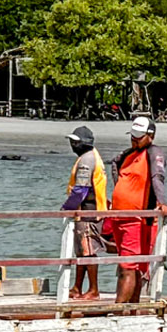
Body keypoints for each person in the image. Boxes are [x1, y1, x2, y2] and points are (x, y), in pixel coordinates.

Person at [109, 116, 167, 304]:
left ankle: (118, 310)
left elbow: (157, 177)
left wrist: (161, 201)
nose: (134, 140)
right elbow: (114, 164)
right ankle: (130, 310)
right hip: (119, 217)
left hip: (137, 219)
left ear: (150, 136)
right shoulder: (128, 154)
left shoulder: (154, 153)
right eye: (133, 136)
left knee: (129, 267)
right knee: (128, 267)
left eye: (139, 136)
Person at [62, 126, 110, 300]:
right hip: (89, 211)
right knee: (82, 251)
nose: (72, 145)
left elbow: (81, 189)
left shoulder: (87, 160)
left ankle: (93, 289)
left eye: (75, 142)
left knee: (88, 251)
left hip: (88, 212)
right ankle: (77, 287)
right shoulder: (92, 156)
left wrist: (68, 207)